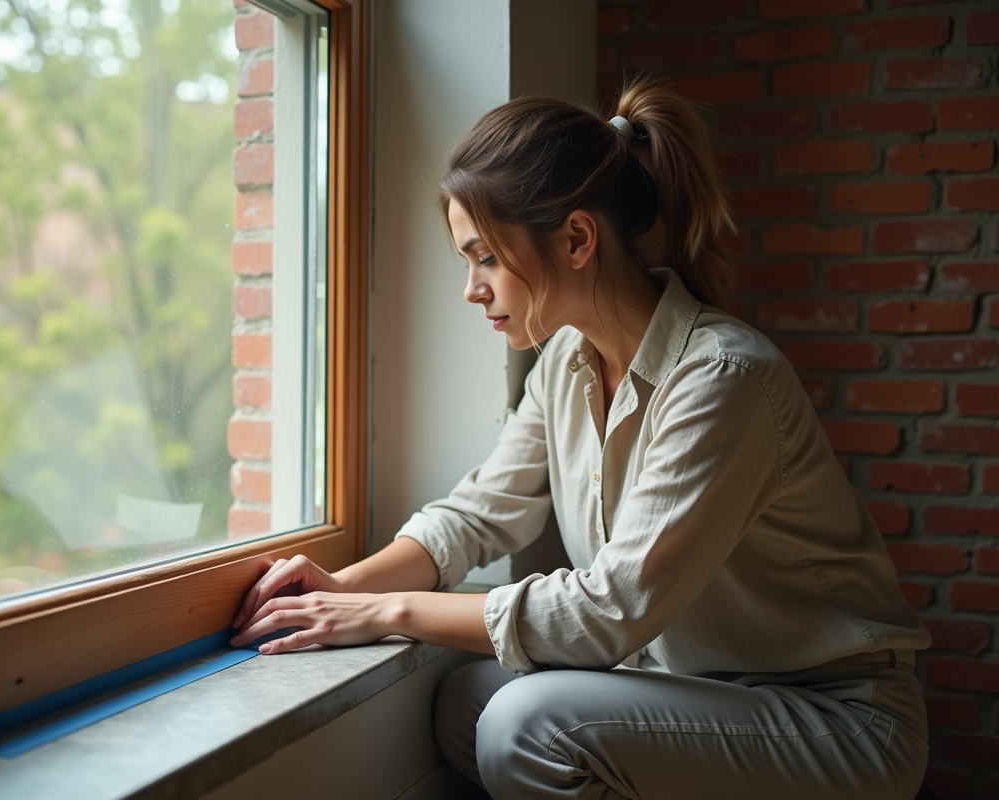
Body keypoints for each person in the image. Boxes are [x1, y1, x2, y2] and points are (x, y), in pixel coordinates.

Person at [229, 79, 930, 799]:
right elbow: (477, 515)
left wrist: (382, 611)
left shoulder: (722, 378)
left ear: (576, 238)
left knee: (525, 726)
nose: (471, 288)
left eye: (486, 258)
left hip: (834, 721)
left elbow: (608, 612)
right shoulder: (565, 362)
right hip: (685, 690)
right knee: (466, 703)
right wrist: (341, 587)